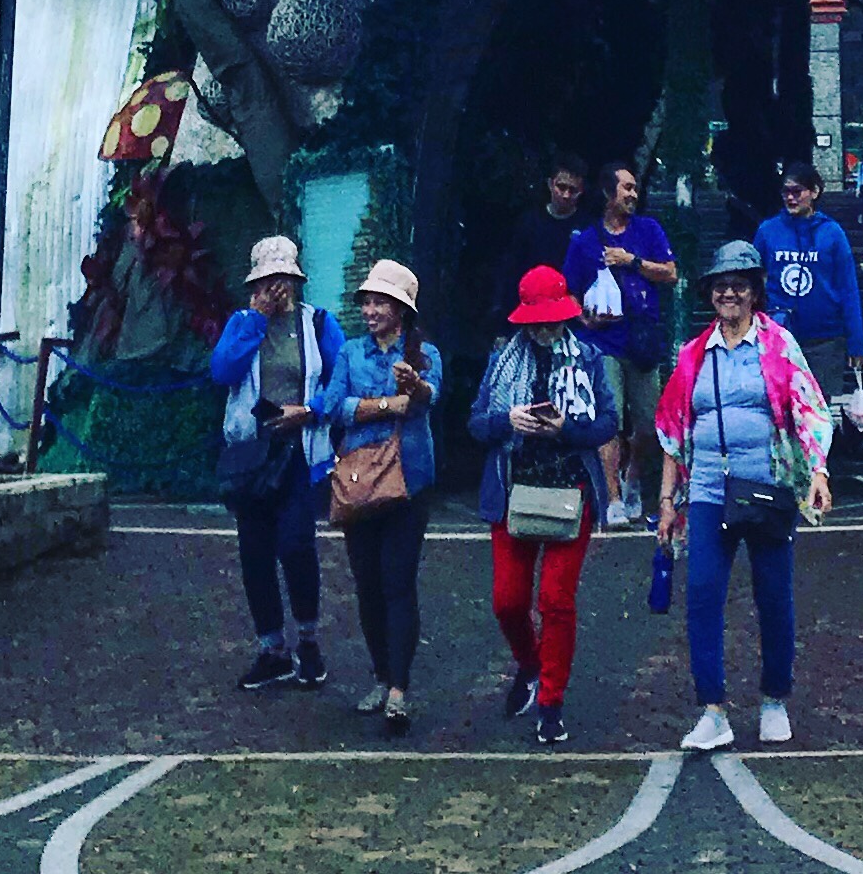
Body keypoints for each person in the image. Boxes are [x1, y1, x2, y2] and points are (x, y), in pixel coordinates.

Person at [656, 240, 835, 751]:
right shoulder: (691, 355)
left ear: (755, 291)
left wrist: (817, 472)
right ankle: (712, 711)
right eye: (720, 284)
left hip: (769, 489)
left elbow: (810, 410)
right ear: (710, 294)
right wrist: (668, 503)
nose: (729, 292)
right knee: (704, 595)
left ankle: (775, 698)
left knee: (774, 596)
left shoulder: (779, 346)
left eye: (739, 283)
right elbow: (672, 433)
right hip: (710, 490)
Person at [468, 261, 621, 749]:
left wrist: (566, 430)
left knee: (556, 600)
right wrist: (506, 420)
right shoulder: (502, 361)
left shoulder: (590, 359)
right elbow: (476, 425)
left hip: (570, 494)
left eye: (554, 318)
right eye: (538, 320)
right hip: (512, 493)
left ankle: (551, 701)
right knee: (507, 601)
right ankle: (530, 665)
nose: (547, 328)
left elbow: (608, 423)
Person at [208, 235, 345, 689]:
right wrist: (256, 320)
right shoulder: (243, 323)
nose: (278, 288)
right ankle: (272, 648)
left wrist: (311, 411)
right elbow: (222, 372)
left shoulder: (317, 323)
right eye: (269, 281)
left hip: (300, 452)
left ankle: (307, 639)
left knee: (297, 546)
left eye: (284, 278)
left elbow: (340, 379)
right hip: (252, 455)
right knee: (255, 553)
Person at [317, 256, 441, 732]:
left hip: (409, 481)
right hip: (358, 483)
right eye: (366, 302)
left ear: (400, 309)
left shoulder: (424, 353)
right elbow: (333, 407)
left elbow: (430, 397)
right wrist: (389, 403)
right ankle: (380, 673)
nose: (369, 310)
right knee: (366, 583)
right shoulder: (350, 353)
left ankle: (398, 688)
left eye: (378, 302)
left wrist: (415, 389)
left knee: (398, 582)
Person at [564, 161, 678, 528]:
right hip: (602, 343)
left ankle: (631, 477)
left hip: (642, 341)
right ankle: (612, 498)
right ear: (607, 193)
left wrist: (632, 261)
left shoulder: (648, 230)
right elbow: (568, 294)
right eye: (626, 188)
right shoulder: (585, 241)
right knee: (608, 422)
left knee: (648, 424)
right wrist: (586, 320)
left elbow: (671, 273)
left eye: (634, 188)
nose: (633, 194)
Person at [755, 159, 863, 415]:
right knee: (776, 410)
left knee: (816, 413)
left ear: (814, 192)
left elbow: (848, 288)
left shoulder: (832, 233)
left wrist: (856, 342)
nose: (791, 198)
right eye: (786, 192)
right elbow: (754, 280)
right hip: (778, 337)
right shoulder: (768, 231)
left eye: (798, 191)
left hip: (824, 340)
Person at [497, 154, 592, 317]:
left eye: (573, 190)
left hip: (570, 314)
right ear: (550, 184)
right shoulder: (529, 221)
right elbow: (511, 270)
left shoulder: (588, 228)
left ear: (581, 191)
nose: (566, 195)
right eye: (561, 187)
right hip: (529, 308)